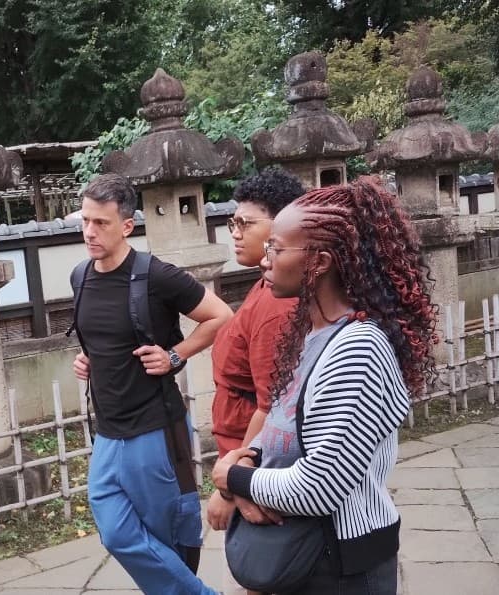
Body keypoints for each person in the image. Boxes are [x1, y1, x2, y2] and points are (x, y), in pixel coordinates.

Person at [212, 177, 437, 594]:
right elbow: (282, 426)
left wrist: (233, 477)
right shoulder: (310, 333)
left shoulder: (358, 349)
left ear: (320, 261)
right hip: (301, 554)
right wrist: (249, 458)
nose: (266, 258)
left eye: (277, 248)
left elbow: (319, 487)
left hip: (342, 567)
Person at [70, 173, 232, 595]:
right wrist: (90, 358)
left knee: (169, 537)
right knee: (116, 532)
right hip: (107, 430)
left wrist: (175, 355)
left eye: (100, 223)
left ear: (126, 226)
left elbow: (221, 316)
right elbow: (104, 336)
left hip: (154, 428)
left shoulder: (155, 275)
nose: (89, 232)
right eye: (85, 220)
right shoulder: (80, 276)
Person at [207, 169, 303, 595]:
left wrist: (231, 488)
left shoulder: (276, 305)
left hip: (257, 464)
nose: (235, 232)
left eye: (246, 223)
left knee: (264, 575)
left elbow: (272, 404)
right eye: (233, 223)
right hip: (246, 459)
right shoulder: (265, 288)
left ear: (281, 226)